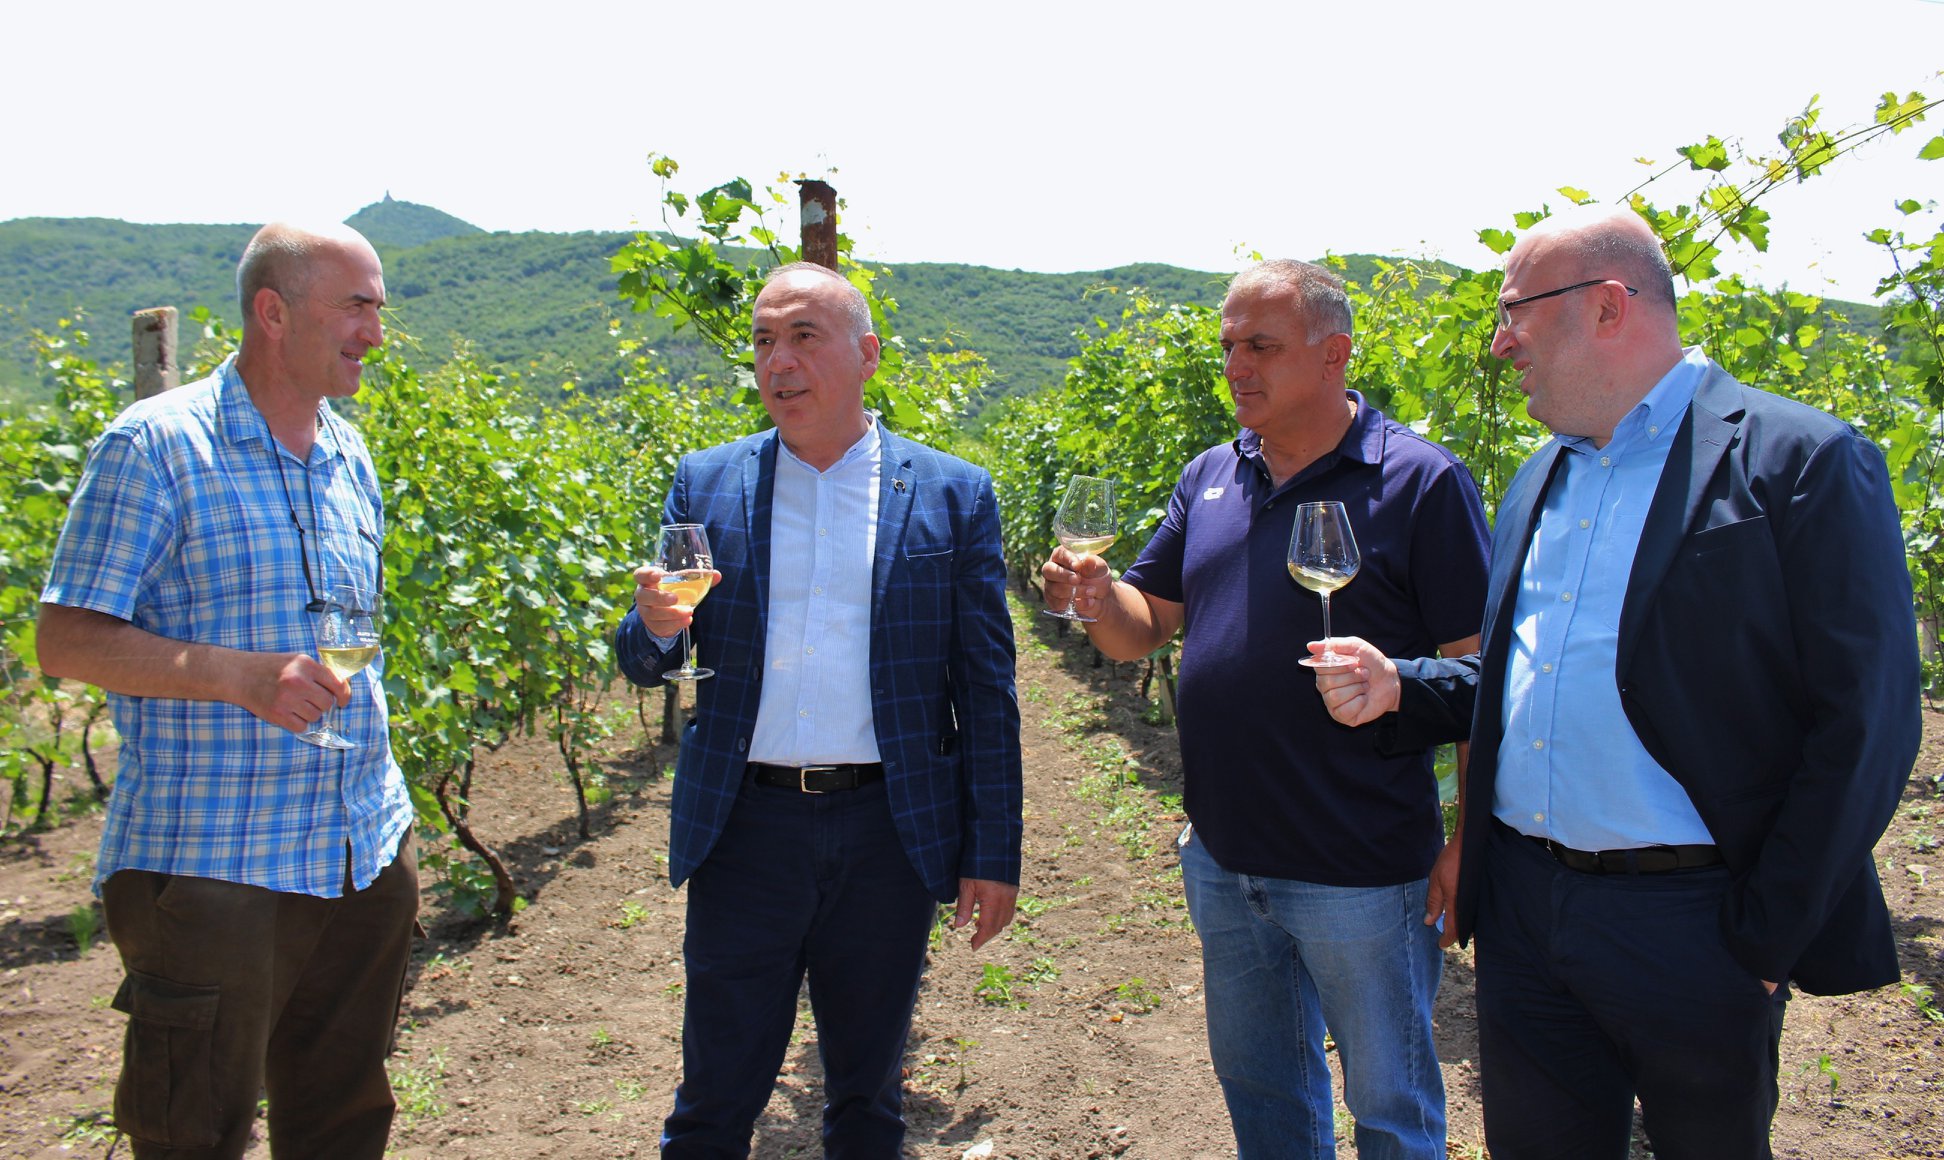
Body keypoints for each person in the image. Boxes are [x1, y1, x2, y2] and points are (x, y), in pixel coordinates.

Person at [1311, 204, 1922, 1160]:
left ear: (1606, 305)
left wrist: (1765, 937)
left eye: (1514, 311)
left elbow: (1868, 723)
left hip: (1694, 922)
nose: (1499, 342)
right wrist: (1405, 685)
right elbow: (1526, 677)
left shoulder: (1798, 460)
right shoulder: (1539, 475)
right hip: (1527, 915)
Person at [1040, 259, 1489, 1159]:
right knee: (1265, 1094)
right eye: (1228, 347)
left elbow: (1481, 677)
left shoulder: (1420, 482)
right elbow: (1143, 626)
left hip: (1363, 870)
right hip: (1224, 857)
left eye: (1261, 346)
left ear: (1334, 355)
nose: (1236, 367)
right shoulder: (1212, 473)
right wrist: (1095, 599)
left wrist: (1467, 840)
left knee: (1391, 1108)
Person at [614, 261, 1022, 1158]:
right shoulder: (708, 483)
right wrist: (656, 628)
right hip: (746, 830)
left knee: (868, 1101)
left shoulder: (952, 494)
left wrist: (993, 853)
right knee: (713, 1100)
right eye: (764, 341)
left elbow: (987, 689)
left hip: (888, 833)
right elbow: (647, 656)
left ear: (867, 355)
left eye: (804, 336)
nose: (779, 361)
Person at [36, 222, 416, 1159]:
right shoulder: (156, 446)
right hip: (218, 863)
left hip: (361, 849)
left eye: (378, 309)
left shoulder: (348, 453)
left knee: (343, 1121)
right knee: (192, 1132)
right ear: (273, 312)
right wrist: (238, 676)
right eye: (356, 307)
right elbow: (66, 639)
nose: (375, 333)